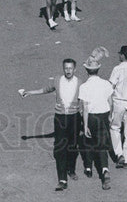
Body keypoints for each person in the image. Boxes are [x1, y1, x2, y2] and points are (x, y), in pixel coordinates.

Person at [20, 58, 82, 192]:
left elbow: (88, 100)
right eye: (66, 68)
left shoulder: (80, 83)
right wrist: (29, 92)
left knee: (72, 146)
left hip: (74, 118)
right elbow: (45, 89)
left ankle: (71, 169)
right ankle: (62, 179)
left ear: (75, 69)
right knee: (60, 148)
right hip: (60, 118)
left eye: (71, 68)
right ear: (63, 68)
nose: (68, 71)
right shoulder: (57, 80)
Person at [78, 47, 114, 191]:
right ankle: (104, 169)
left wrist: (85, 125)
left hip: (92, 117)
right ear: (98, 70)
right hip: (104, 116)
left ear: (87, 71)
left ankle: (88, 167)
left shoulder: (84, 86)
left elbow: (85, 108)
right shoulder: (106, 84)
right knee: (101, 144)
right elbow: (111, 102)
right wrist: (110, 116)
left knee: (87, 142)